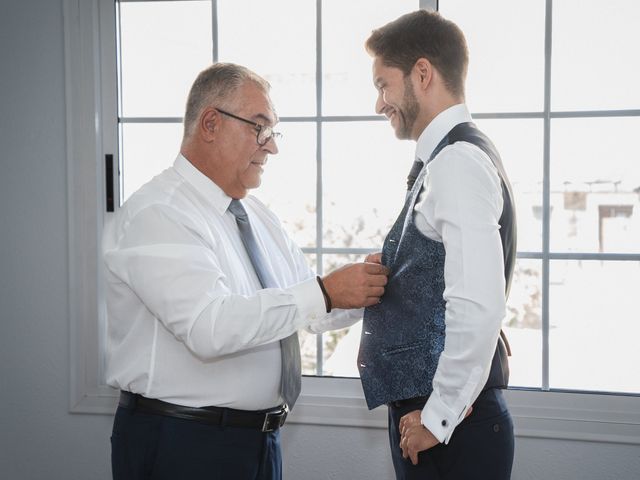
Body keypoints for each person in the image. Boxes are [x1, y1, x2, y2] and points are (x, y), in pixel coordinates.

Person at [103, 62, 388, 480]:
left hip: (257, 443)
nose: (271, 147)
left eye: (272, 132)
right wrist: (325, 291)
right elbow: (209, 327)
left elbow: (308, 307)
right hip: (182, 444)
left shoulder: (257, 216)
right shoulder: (158, 212)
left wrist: (373, 285)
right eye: (259, 127)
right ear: (211, 124)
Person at [357, 10, 517, 479]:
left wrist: (439, 414)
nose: (379, 103)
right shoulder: (454, 157)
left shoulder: (457, 164)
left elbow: (477, 304)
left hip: (451, 432)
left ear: (421, 74)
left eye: (383, 85)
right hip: (443, 423)